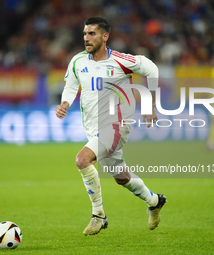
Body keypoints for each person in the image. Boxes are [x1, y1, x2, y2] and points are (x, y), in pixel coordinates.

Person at [55, 17, 166, 236]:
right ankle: (155, 201)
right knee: (121, 177)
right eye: (85, 34)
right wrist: (65, 103)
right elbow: (70, 86)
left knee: (82, 159)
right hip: (93, 126)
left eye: (92, 34)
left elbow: (151, 69)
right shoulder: (78, 61)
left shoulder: (120, 60)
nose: (86, 38)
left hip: (117, 124)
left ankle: (99, 215)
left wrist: (150, 103)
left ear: (105, 37)